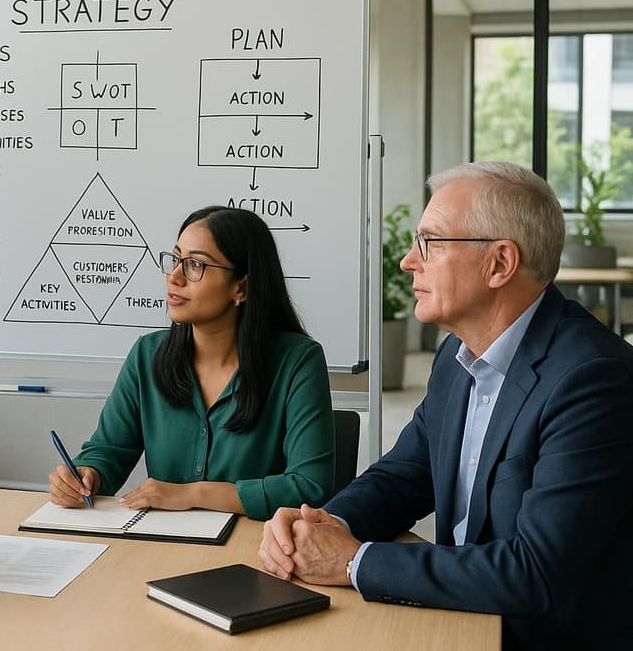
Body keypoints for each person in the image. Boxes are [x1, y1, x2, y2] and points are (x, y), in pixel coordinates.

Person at [258, 162, 633, 648]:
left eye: (430, 243)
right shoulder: (456, 355)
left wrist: (351, 561)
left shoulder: (592, 377)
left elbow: (536, 571)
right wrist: (321, 525)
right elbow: (404, 476)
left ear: (499, 263)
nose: (408, 262)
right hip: (464, 618)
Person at [47, 206, 334, 520]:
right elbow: (108, 451)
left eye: (196, 264)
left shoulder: (298, 361)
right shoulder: (147, 354)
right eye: (175, 259)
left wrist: (193, 494)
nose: (174, 277)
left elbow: (310, 487)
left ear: (241, 287)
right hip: (161, 539)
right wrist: (86, 475)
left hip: (259, 541)